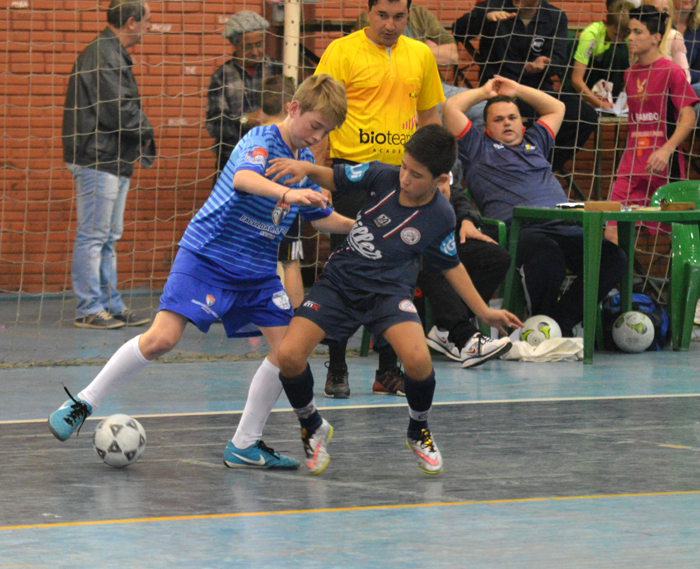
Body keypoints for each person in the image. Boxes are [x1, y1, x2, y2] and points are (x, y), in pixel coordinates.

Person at [48, 74, 356, 471]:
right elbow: (245, 179)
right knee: (161, 339)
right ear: (294, 108)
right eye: (315, 126)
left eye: (325, 132)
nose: (317, 137)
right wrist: (286, 192)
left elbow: (321, 218)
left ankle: (245, 444)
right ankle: (82, 402)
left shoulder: (306, 164)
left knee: (288, 354)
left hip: (258, 272)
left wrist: (362, 225)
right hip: (208, 257)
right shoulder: (261, 140)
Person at [266, 124, 523, 475]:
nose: (405, 177)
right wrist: (307, 169)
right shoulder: (381, 175)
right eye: (404, 167)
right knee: (289, 356)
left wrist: (482, 311)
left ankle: (419, 431)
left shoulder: (441, 216)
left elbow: (451, 264)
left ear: (439, 178)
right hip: (339, 284)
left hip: (388, 293)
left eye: (416, 175)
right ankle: (312, 426)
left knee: (418, 362)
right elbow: (337, 176)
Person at [314, 0, 446, 398]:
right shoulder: (341, 51)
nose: (390, 25)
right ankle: (337, 366)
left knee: (397, 277)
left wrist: (441, 177)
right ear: (368, 13)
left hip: (402, 181)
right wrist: (320, 178)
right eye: (382, 16)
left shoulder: (421, 54)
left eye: (399, 17)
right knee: (346, 273)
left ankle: (387, 371)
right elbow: (321, 116)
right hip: (351, 176)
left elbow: (431, 120)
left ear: (409, 16)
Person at [442, 75, 628, 337]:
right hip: (518, 231)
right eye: (498, 119)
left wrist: (517, 89)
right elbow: (450, 109)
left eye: (512, 117)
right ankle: (542, 321)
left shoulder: (536, 140)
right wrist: (484, 92)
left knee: (612, 257)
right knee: (546, 254)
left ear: (522, 122)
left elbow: (557, 108)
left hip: (563, 225)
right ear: (487, 128)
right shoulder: (477, 146)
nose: (507, 122)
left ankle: (558, 324)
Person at [62, 0, 155, 330]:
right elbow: (118, 110)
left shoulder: (109, 52)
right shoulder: (104, 54)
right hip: (97, 157)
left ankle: (110, 304)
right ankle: (89, 308)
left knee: (108, 236)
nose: (149, 27)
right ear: (131, 22)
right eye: (146, 21)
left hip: (111, 157)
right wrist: (146, 131)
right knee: (94, 235)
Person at [453, 0, 599, 175]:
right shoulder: (493, 6)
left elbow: (558, 60)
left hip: (537, 91)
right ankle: (518, 169)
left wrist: (545, 64)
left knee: (586, 115)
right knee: (507, 115)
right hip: (500, 92)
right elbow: (457, 29)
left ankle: (536, 167)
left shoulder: (555, 16)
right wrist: (483, 19)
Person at [604, 5, 698, 244]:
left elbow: (689, 117)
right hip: (632, 168)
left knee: (679, 236)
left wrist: (666, 149)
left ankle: (682, 281)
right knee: (611, 228)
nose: (631, 38)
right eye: (629, 32)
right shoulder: (629, 73)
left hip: (664, 168)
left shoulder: (672, 73)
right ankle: (615, 282)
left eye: (638, 32)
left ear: (656, 37)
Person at [421, 162, 513, 368]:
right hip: (414, 242)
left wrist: (467, 220)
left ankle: (446, 329)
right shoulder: (406, 170)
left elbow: (457, 196)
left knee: (496, 258)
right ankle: (465, 338)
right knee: (435, 260)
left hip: (446, 237)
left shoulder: (446, 160)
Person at [355, 4, 488, 130]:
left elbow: (452, 54)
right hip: (396, 91)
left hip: (434, 87)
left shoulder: (420, 14)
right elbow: (382, 61)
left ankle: (463, 153)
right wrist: (427, 50)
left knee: (483, 107)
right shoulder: (371, 17)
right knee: (437, 117)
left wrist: (415, 53)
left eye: (399, 16)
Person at [205, 10, 282, 185]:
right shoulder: (221, 77)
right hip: (233, 160)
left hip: (273, 159)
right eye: (247, 46)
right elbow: (214, 125)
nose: (255, 51)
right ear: (235, 45)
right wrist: (246, 120)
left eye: (260, 44)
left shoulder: (278, 70)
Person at [261, 75, 307, 309]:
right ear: (289, 106)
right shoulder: (287, 137)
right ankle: (297, 315)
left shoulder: (256, 134)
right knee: (291, 261)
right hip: (284, 207)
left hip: (256, 210)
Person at [569, 1, 633, 110]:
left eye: (624, 36)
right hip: (590, 85)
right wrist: (600, 104)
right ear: (605, 23)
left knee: (619, 50)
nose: (619, 40)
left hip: (614, 88)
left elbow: (632, 74)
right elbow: (576, 79)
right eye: (616, 34)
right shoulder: (592, 34)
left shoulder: (629, 39)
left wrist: (626, 100)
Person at [641, 0, 691, 82]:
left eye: (665, 10)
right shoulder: (637, 38)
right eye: (656, 10)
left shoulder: (674, 37)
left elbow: (685, 77)